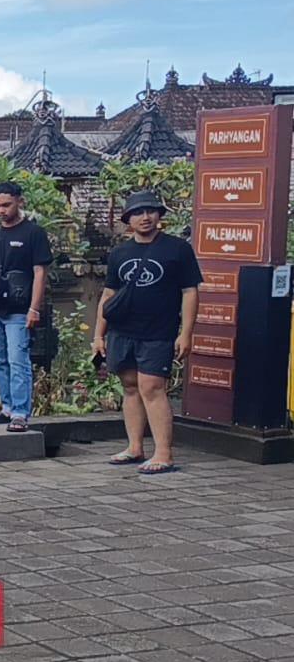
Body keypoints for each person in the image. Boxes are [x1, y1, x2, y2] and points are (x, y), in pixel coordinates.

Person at [94, 190, 201, 475]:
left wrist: (186, 332)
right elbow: (108, 295)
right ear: (128, 219)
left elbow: (190, 292)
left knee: (152, 387)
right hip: (122, 330)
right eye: (138, 213)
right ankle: (134, 447)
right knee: (130, 387)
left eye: (150, 211)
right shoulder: (119, 253)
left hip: (158, 331)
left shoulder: (177, 249)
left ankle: (164, 453)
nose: (145, 217)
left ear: (159, 215)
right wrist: (98, 335)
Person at [0, 181, 52, 433]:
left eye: (6, 205)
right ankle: (7, 407)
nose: (1, 210)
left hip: (19, 307)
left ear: (20, 202)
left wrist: (34, 308)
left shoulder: (33, 233)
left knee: (18, 360)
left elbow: (40, 273)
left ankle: (20, 412)